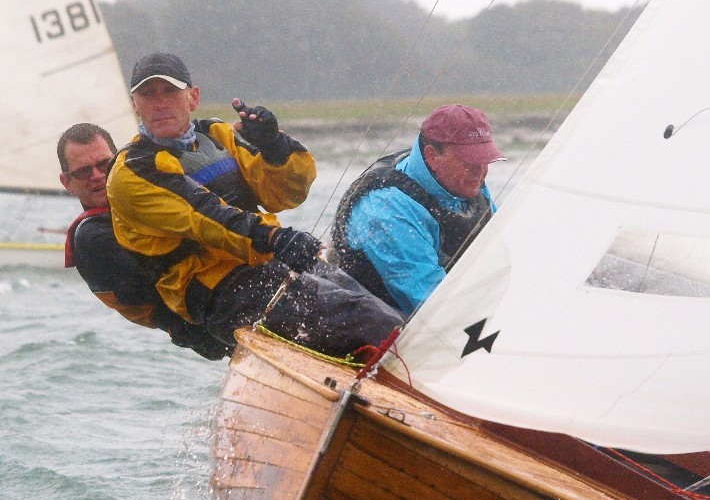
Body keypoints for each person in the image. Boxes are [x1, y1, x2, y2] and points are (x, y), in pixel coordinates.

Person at [106, 52, 401, 357]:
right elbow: (205, 216)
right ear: (134, 105)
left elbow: (285, 194)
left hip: (268, 262)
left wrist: (274, 146)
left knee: (388, 313)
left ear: (193, 98)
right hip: (220, 291)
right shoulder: (132, 171)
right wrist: (275, 238)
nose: (160, 103)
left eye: (170, 91)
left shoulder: (217, 134)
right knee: (372, 323)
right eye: (148, 94)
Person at [58, 122, 232, 360]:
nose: (96, 176)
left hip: (216, 306)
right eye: (83, 172)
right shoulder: (91, 237)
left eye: (103, 164)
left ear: (117, 161)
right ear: (68, 183)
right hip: (201, 323)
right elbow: (168, 265)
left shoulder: (141, 198)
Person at [329, 104, 504, 315]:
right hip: (371, 326)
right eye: (470, 161)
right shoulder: (386, 211)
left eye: (484, 160)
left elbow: (503, 253)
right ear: (432, 156)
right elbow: (435, 306)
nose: (481, 172)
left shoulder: (465, 180)